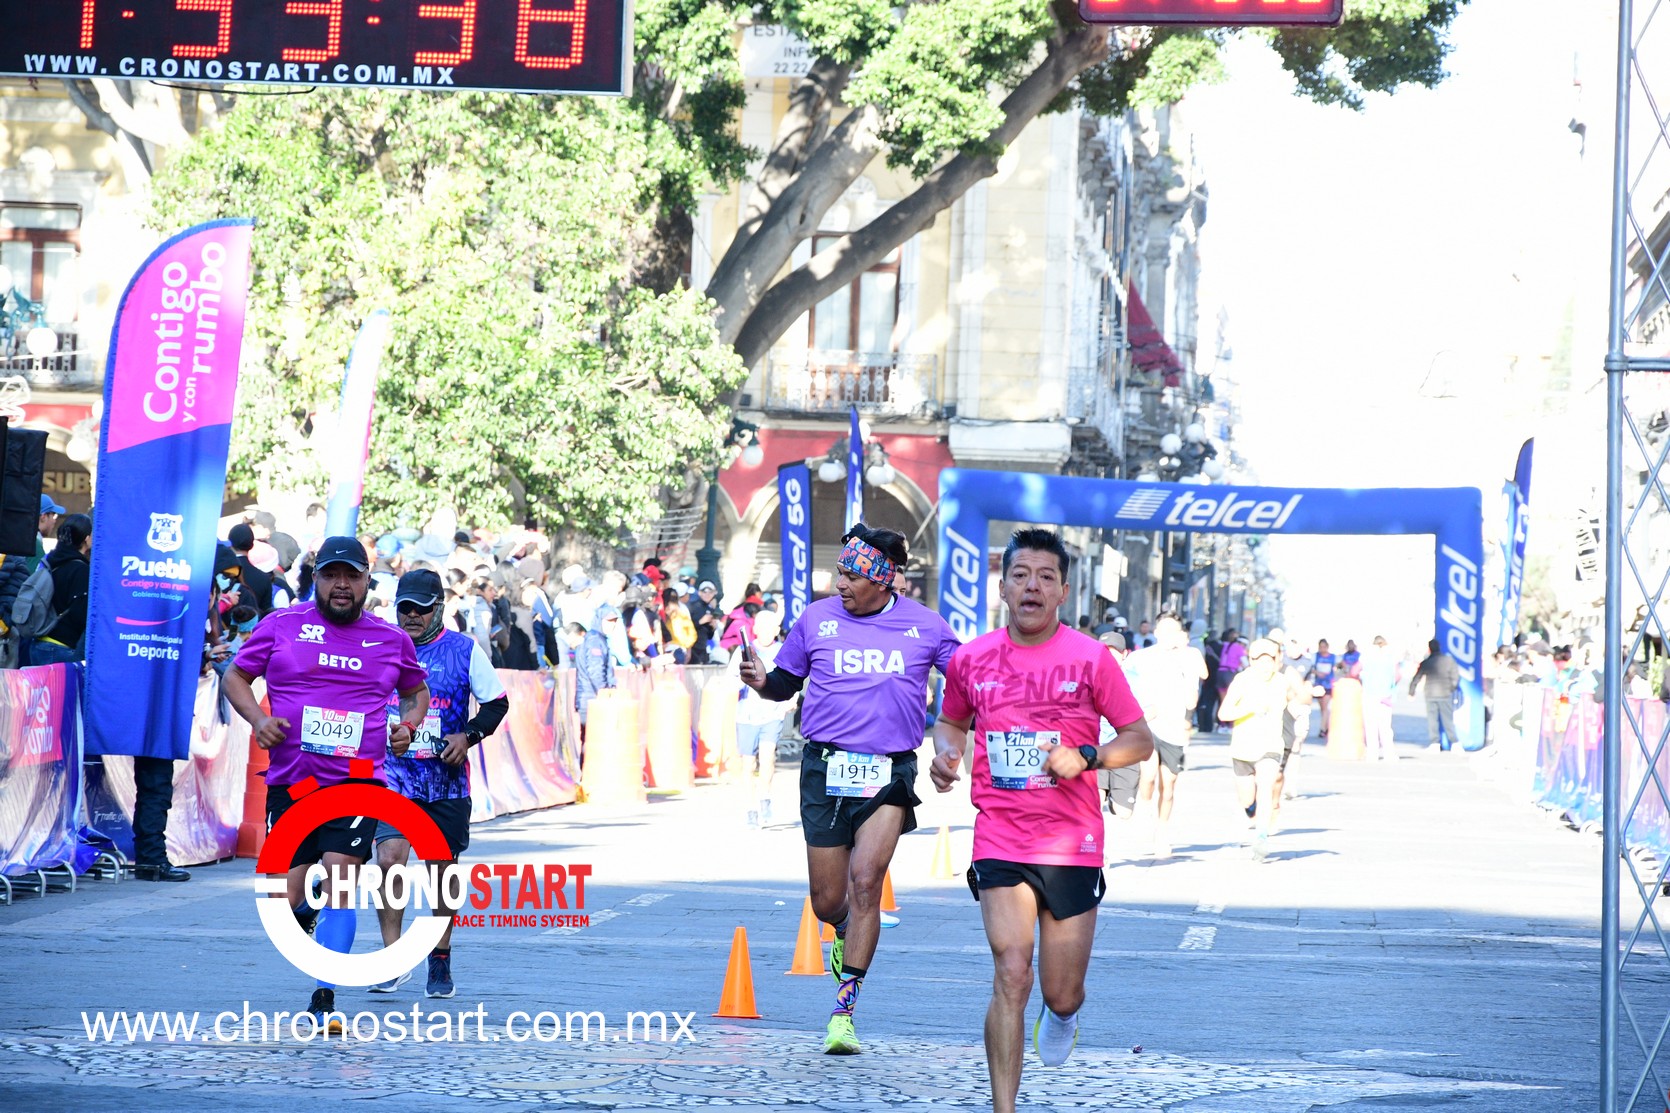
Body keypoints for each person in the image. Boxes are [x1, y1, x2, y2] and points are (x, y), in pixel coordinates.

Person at [929, 528, 1153, 1110]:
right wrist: (947, 754)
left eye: (1045, 577)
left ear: (1063, 592)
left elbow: (1139, 739)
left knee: (1061, 992)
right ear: (1004, 587)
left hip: (1072, 841)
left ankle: (1064, 1015)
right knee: (1011, 972)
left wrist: (1087, 756)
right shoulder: (971, 659)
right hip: (1000, 835)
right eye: (1021, 575)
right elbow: (951, 721)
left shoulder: (1091, 657)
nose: (1032, 585)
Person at [739, 524, 959, 1056]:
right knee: (827, 901)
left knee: (866, 885)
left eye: (851, 576)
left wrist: (953, 745)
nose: (840, 583)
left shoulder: (926, 627)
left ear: (882, 581)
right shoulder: (816, 619)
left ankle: (843, 1013)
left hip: (889, 772)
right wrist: (762, 681)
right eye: (839, 573)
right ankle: (841, 928)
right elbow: (785, 684)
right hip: (824, 768)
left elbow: (970, 681)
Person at [221, 536, 430, 1031]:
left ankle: (324, 996)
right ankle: (307, 912)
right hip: (292, 783)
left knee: (341, 881)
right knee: (286, 899)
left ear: (367, 582)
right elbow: (235, 677)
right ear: (314, 578)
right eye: (331, 575)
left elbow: (416, 692)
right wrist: (258, 720)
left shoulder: (390, 639)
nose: (341, 585)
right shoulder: (282, 624)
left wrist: (408, 726)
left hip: (357, 784)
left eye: (351, 576)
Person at [370, 569, 510, 998]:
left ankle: (440, 955)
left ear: (440, 609)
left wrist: (467, 736)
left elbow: (497, 703)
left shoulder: (464, 650)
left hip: (445, 782)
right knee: (389, 860)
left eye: (421, 609)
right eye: (405, 608)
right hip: (394, 777)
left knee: (441, 871)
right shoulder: (379, 645)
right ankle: (392, 958)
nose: (411, 616)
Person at [1121, 615, 1206, 858]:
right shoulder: (1140, 657)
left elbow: (1192, 700)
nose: (1168, 635)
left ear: (1180, 634)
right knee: (1148, 776)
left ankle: (1162, 832)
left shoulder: (1187, 658)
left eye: (1173, 631)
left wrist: (1188, 666)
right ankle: (1145, 808)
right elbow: (1122, 683)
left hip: (1174, 729)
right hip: (1147, 725)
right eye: (1164, 630)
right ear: (1156, 632)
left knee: (1168, 786)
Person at [1217, 638, 1305, 862]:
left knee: (1266, 788)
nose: (1265, 666)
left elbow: (1293, 701)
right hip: (1243, 747)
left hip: (1271, 745)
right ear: (1252, 661)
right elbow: (1224, 713)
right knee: (1248, 799)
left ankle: (1261, 838)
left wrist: (1301, 717)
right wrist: (1250, 708)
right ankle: (1251, 810)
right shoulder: (1242, 680)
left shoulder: (1282, 681)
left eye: (1270, 661)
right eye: (1260, 661)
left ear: (1276, 661)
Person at [729, 607, 792, 827]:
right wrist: (742, 680)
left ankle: (765, 798)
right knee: (748, 765)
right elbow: (731, 680)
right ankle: (750, 808)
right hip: (746, 715)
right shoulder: (743, 651)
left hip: (772, 713)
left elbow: (794, 678)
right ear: (755, 629)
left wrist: (791, 701)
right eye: (762, 627)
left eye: (770, 627)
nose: (766, 631)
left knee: (767, 759)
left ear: (776, 630)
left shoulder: (783, 651)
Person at [29, 513, 92, 667]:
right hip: (61, 647)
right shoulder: (81, 570)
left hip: (39, 642)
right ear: (86, 538)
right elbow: (80, 614)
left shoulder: (51, 561)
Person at [1409, 638, 1462, 751]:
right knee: (1448, 719)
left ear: (1429, 649)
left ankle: (1435, 743)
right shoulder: (1449, 661)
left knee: (1432, 720)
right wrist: (1451, 688)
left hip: (1430, 693)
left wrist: (1411, 692)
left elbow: (1417, 677)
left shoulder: (1427, 662)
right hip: (1445, 693)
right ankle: (1455, 742)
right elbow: (1455, 677)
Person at [1358, 635, 1399, 761]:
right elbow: (1398, 675)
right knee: (1385, 727)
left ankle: (1372, 753)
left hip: (1369, 694)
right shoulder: (1390, 657)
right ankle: (1389, 753)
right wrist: (1391, 686)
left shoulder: (1366, 657)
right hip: (1385, 696)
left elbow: (1355, 671)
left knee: (1371, 725)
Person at [1309, 638, 1337, 738]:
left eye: (1324, 647)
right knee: (1322, 708)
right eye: (1320, 647)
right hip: (1319, 685)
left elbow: (1337, 668)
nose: (1322, 649)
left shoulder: (1333, 657)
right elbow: (1311, 669)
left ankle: (1322, 729)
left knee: (1325, 707)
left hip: (1328, 685)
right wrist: (1317, 673)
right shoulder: (1315, 656)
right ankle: (1326, 726)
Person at [29, 493, 64, 573]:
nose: (54, 521)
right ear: (43, 517)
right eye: (53, 515)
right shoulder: (35, 545)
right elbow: (37, 578)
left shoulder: (22, 539)